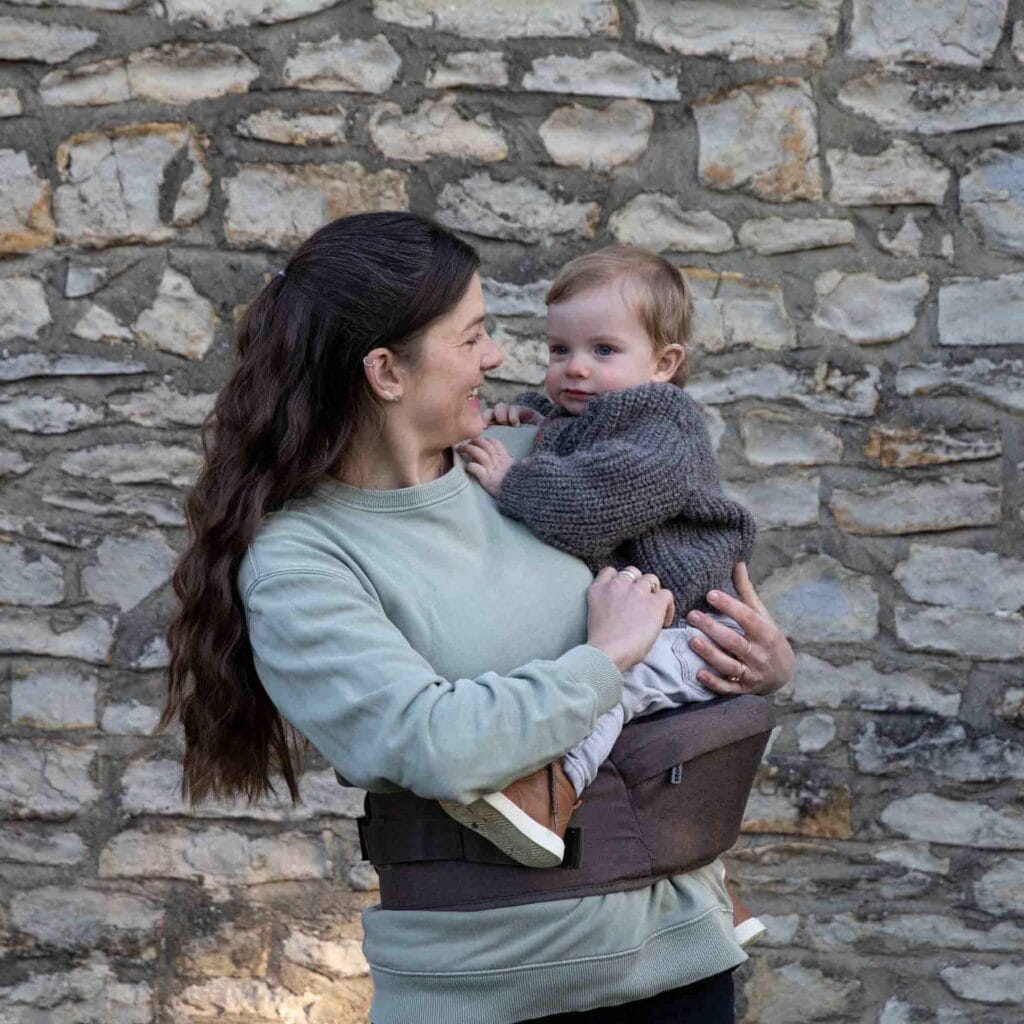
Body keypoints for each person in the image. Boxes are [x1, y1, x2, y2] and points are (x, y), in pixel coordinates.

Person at [162, 212, 795, 1024]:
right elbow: (432, 742)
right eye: (473, 337)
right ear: (387, 371)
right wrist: (605, 660)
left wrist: (759, 664)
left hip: (680, 963)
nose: (499, 359)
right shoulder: (303, 562)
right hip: (487, 992)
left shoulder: (535, 467)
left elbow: (687, 584)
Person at [446, 245, 765, 946]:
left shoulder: (665, 425)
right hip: (650, 619)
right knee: (648, 777)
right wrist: (517, 415)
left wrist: (512, 482)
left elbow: (597, 500)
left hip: (689, 631)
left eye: (603, 349)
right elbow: (555, 427)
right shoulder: (586, 411)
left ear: (664, 364)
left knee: (607, 687)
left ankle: (548, 788)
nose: (576, 368)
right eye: (559, 349)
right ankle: (720, 902)